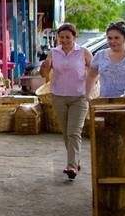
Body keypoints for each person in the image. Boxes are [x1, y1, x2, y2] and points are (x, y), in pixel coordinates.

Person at [39, 23, 91, 180]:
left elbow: (95, 71)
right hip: (59, 96)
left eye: (68, 37)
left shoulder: (83, 52)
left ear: (75, 37)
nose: (64, 40)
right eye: (61, 37)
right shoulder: (53, 53)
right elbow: (43, 74)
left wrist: (91, 88)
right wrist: (45, 66)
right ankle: (75, 160)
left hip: (79, 97)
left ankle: (72, 166)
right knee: (65, 132)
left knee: (73, 132)